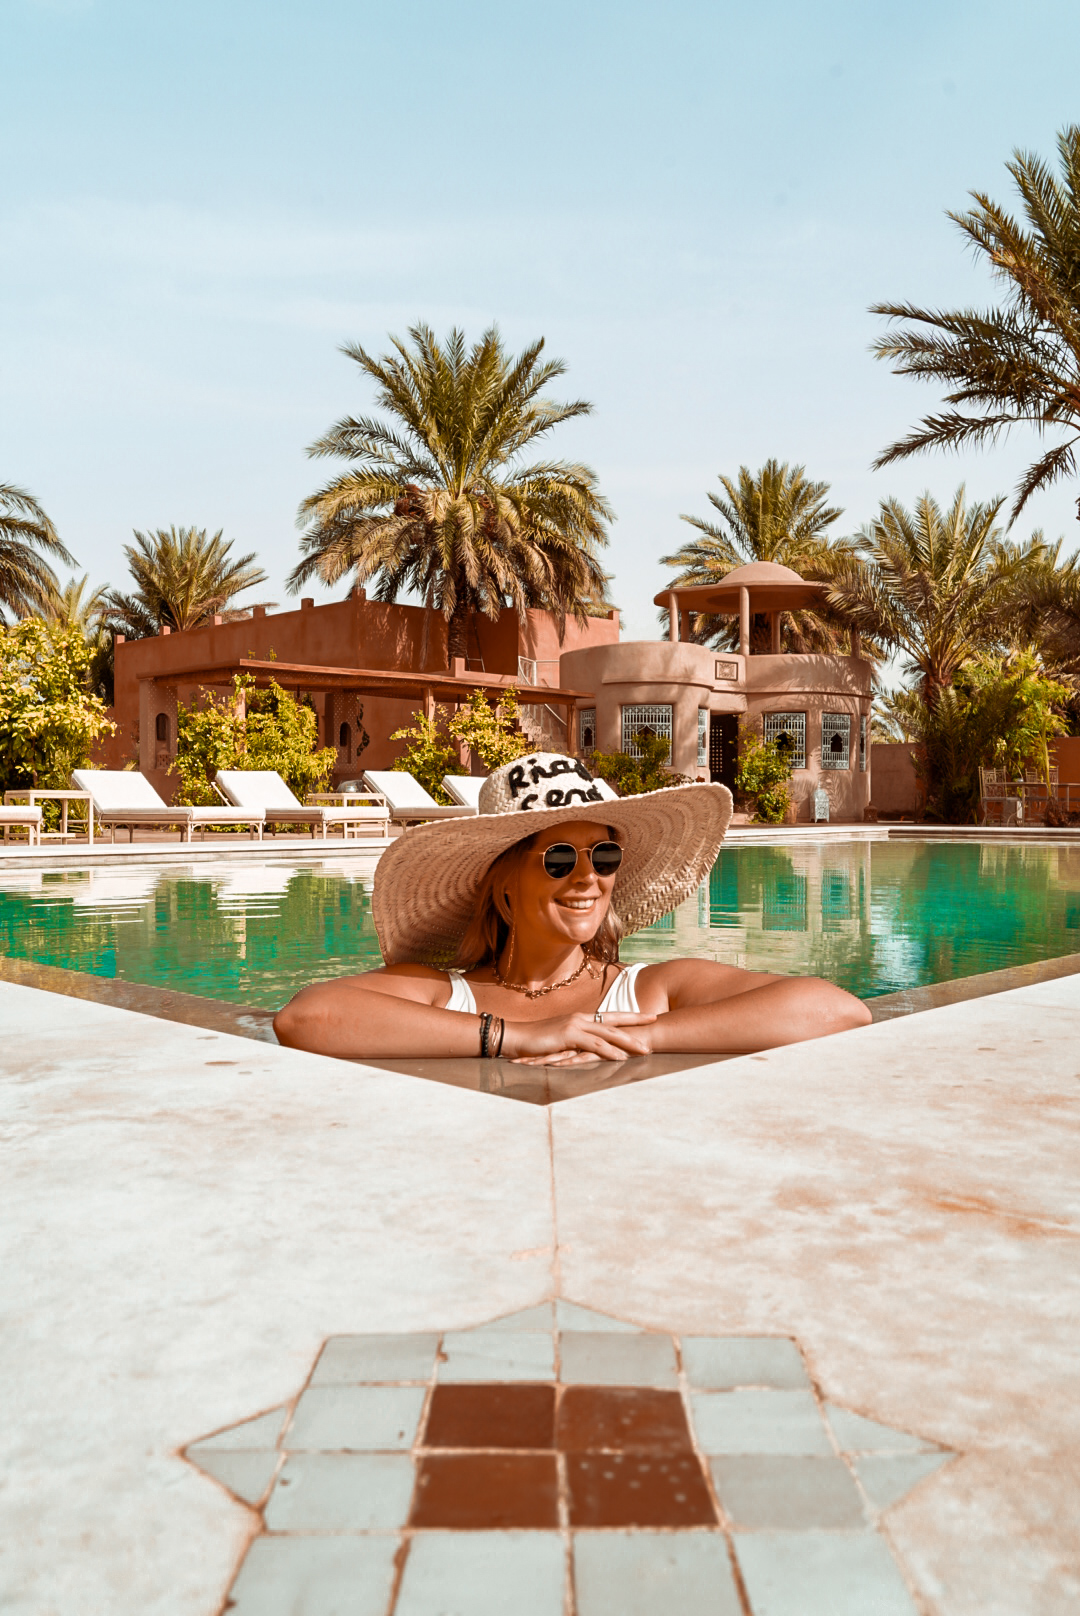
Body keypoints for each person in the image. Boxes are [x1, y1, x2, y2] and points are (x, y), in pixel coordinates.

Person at [274, 752, 871, 1064]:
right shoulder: (444, 994)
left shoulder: (650, 994)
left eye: (604, 855)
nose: (588, 876)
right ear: (504, 887)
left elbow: (837, 1012)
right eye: (559, 859)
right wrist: (516, 1038)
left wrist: (638, 1037)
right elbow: (305, 1019)